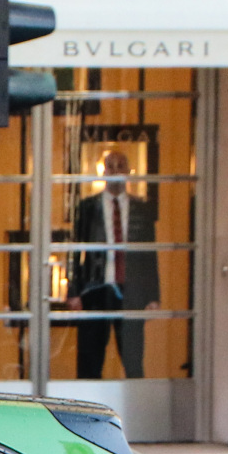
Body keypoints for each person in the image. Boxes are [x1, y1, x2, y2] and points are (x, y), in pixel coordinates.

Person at [70, 150, 158, 381]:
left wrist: (152, 296)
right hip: (95, 289)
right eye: (111, 166)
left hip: (131, 291)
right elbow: (75, 251)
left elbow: (149, 254)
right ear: (104, 171)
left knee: (133, 359)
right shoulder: (88, 208)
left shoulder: (142, 209)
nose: (116, 171)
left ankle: (137, 408)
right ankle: (86, 412)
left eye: (121, 166)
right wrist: (73, 291)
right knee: (90, 358)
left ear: (128, 172)